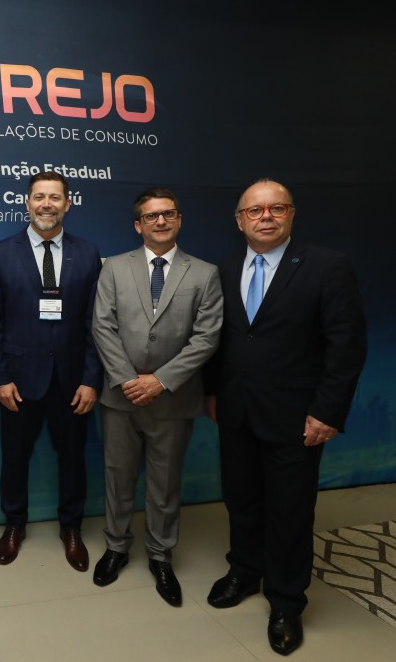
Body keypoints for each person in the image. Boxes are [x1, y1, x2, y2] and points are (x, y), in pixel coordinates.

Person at [205, 179, 366, 656]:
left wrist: (328, 411)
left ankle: (286, 601)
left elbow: (347, 345)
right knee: (241, 498)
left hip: (297, 416)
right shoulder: (224, 268)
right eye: (255, 211)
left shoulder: (327, 266)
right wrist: (212, 392)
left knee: (290, 511)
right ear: (240, 221)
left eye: (277, 208)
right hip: (235, 409)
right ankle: (244, 571)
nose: (266, 217)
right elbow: (219, 339)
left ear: (292, 214)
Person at [91, 187, 223, 606]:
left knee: (165, 484)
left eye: (168, 214)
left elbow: (207, 338)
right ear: (138, 225)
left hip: (173, 399)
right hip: (121, 397)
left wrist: (160, 381)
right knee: (118, 476)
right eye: (151, 216)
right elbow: (102, 326)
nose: (160, 221)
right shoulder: (114, 268)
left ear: (179, 219)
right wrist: (128, 379)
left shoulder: (204, 273)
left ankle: (160, 555)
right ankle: (116, 547)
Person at [0, 170, 103, 571]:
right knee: (14, 457)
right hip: (17, 380)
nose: (46, 204)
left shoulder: (88, 253)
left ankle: (71, 527)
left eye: (54, 197)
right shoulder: (0, 253)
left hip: (72, 380)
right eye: (39, 197)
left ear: (68, 204)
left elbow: (96, 323)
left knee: (73, 458)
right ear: (27, 203)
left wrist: (91, 379)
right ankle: (14, 524)